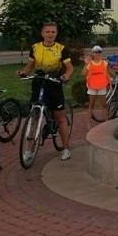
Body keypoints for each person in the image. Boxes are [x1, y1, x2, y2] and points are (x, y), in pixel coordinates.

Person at [16, 22, 75, 160]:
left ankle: (66, 149)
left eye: (53, 32)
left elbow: (70, 67)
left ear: (56, 34)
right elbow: (30, 65)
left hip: (54, 83)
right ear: (42, 33)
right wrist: (23, 73)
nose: (50, 34)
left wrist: (66, 75)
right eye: (47, 32)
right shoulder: (35, 48)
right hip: (39, 82)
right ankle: (30, 150)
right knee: (35, 116)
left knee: (60, 117)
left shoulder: (61, 48)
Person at [82, 45, 111, 123]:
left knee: (104, 105)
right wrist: (86, 64)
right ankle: (88, 123)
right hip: (92, 86)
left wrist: (110, 85)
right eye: (96, 52)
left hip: (102, 85)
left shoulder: (104, 63)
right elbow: (83, 73)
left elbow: (107, 74)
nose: (97, 54)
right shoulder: (90, 63)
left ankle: (106, 122)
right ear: (93, 53)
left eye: (99, 52)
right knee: (91, 104)